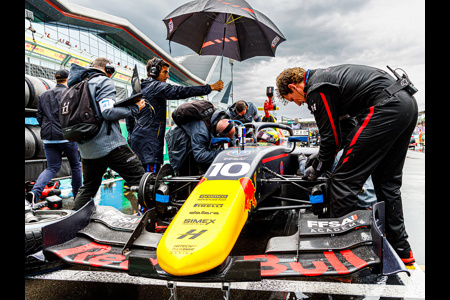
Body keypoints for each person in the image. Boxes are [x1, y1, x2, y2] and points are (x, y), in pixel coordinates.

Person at [276, 64, 418, 265]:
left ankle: (346, 254)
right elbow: (346, 132)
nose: (299, 104)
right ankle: (401, 249)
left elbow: (330, 139)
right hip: (406, 104)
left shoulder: (316, 89)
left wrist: (317, 169)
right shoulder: (332, 81)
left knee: (342, 181)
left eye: (293, 100)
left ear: (294, 86)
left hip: (385, 107)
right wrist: (320, 157)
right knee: (387, 183)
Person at [69, 57, 146, 210]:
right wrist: (135, 108)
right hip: (110, 145)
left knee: (88, 188)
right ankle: (159, 221)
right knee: (144, 181)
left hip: (87, 149)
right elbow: (108, 112)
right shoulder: (103, 81)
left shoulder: (77, 85)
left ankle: (70, 226)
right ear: (109, 69)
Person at [126, 57, 224, 173]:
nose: (167, 76)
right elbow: (181, 91)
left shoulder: (139, 88)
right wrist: (210, 87)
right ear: (153, 72)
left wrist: (131, 134)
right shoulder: (156, 86)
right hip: (150, 147)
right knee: (149, 182)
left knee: (137, 180)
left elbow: (129, 116)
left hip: (137, 142)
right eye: (165, 72)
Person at [26, 69, 82, 203]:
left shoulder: (43, 95)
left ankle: (35, 192)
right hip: (66, 136)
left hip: (48, 138)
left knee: (51, 167)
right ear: (67, 79)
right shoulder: (70, 93)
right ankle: (78, 197)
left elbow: (39, 117)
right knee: (75, 166)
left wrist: (47, 129)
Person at [165, 109, 235, 175]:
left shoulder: (224, 119)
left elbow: (231, 136)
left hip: (192, 134)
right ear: (220, 133)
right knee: (185, 169)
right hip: (179, 139)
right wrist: (221, 154)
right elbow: (200, 156)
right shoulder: (201, 132)